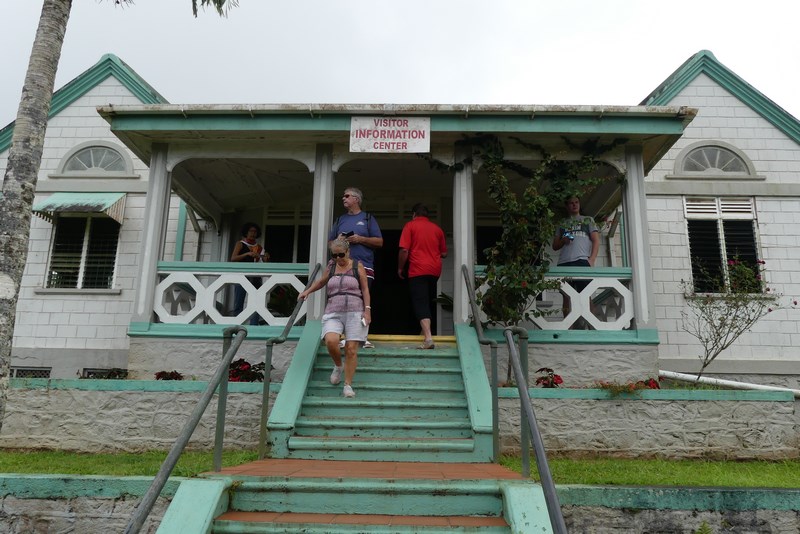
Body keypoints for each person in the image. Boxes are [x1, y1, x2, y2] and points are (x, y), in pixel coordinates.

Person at [298, 238, 371, 398]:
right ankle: (338, 365)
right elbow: (321, 282)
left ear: (348, 252)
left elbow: (365, 289)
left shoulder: (357, 266)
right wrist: (307, 291)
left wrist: (367, 310)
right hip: (333, 311)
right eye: (334, 255)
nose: (338, 258)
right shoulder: (331, 267)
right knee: (331, 341)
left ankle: (347, 385)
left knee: (351, 349)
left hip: (355, 310)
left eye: (341, 254)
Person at [329, 187, 382, 348]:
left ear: (356, 199)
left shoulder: (367, 218)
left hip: (364, 265)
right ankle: (347, 337)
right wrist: (338, 240)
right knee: (345, 300)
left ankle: (362, 337)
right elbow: (329, 244)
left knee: (362, 299)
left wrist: (360, 239)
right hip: (343, 267)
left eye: (347, 196)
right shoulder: (339, 220)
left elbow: (379, 242)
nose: (343, 198)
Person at [397, 203, 447, 349]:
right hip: (434, 271)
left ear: (414, 214)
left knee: (420, 302)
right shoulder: (437, 229)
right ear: (427, 215)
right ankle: (424, 333)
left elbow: (404, 250)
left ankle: (428, 339)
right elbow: (444, 253)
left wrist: (400, 268)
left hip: (418, 270)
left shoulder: (410, 226)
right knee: (427, 301)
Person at [552, 196, 599, 324]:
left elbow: (596, 240)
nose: (574, 205)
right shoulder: (562, 223)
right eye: (571, 203)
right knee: (566, 297)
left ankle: (592, 327)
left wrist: (592, 259)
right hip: (564, 262)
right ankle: (567, 327)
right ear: (567, 206)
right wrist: (563, 240)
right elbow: (555, 246)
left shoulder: (588, 220)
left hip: (582, 261)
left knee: (586, 295)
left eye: (577, 202)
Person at [230, 222, 269, 325]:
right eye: (251, 231)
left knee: (255, 302)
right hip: (242, 276)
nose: (253, 233)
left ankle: (254, 325)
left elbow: (264, 261)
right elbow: (233, 258)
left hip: (255, 277)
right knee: (239, 302)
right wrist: (247, 253)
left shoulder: (259, 247)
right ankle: (237, 325)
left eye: (255, 232)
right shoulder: (241, 244)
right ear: (246, 232)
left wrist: (265, 257)